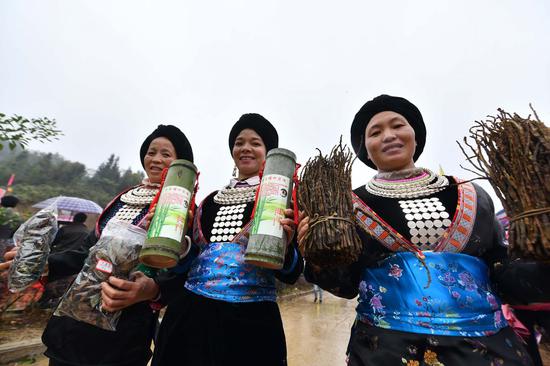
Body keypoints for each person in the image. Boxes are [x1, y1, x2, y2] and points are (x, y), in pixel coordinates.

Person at [298, 95, 550, 365]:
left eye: (397, 125)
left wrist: (542, 260)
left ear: (415, 137)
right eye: (376, 132)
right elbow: (346, 284)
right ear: (366, 150)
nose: (388, 135)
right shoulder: (347, 208)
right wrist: (315, 255)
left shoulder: (473, 195)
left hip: (484, 350)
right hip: (384, 351)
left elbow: (506, 277)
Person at [1, 124, 195, 366]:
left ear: (180, 164)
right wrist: (43, 261)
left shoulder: (185, 210)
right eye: (151, 152)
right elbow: (88, 250)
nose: (155, 159)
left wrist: (153, 289)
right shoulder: (121, 200)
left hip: (125, 321)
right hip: (76, 314)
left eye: (166, 154)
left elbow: (184, 270)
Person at [152, 113, 303, 366]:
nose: (245, 148)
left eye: (255, 143)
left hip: (251, 320)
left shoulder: (284, 201)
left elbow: (292, 272)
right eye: (239, 142)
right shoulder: (209, 201)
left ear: (268, 152)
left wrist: (286, 250)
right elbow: (187, 262)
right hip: (191, 312)